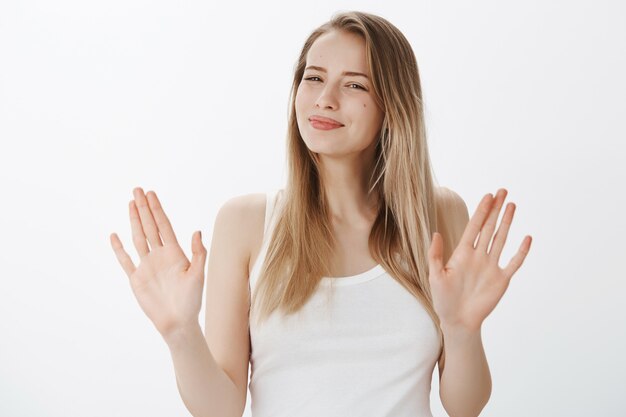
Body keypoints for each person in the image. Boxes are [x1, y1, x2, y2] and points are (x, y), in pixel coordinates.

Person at [110, 10, 532, 417]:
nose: (324, 100)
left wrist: (462, 331)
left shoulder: (437, 215)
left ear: (393, 107)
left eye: (354, 86)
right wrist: (180, 332)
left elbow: (466, 407)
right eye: (313, 79)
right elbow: (221, 409)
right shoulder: (245, 223)